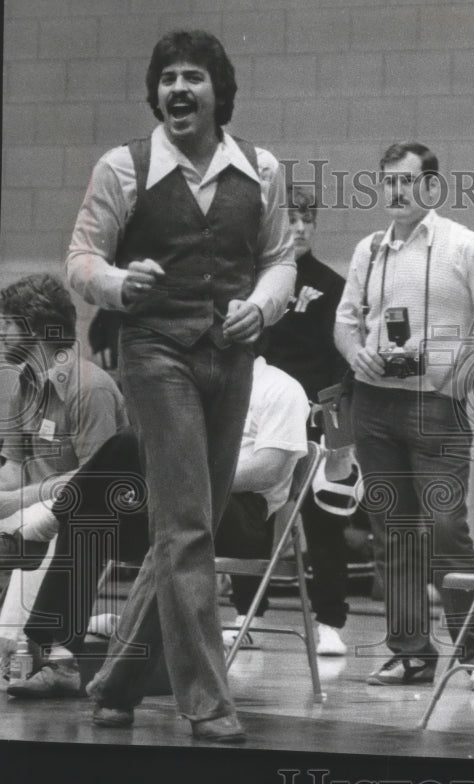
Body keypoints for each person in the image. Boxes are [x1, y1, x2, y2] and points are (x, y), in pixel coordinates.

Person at [64, 30, 296, 742]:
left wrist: (265, 303)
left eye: (191, 76)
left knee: (182, 530)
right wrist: (116, 283)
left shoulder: (260, 167)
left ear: (217, 91)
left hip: (231, 359)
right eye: (167, 78)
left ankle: (118, 682)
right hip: (156, 352)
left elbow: (280, 258)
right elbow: (79, 258)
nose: (177, 89)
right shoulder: (122, 168)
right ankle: (206, 702)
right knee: (190, 527)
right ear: (156, 93)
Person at [4, 356, 308, 698]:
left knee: (135, 440)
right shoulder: (195, 390)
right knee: (90, 520)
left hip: (241, 513)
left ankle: (49, 520)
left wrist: (188, 473)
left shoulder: (282, 388)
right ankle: (60, 656)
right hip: (179, 500)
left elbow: (269, 469)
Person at [335, 141, 474, 690]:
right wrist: (354, 352)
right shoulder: (369, 250)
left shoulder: (466, 245)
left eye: (407, 181)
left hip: (437, 406)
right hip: (374, 402)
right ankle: (410, 652)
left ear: (431, 187)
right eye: (387, 181)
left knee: (444, 528)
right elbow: (345, 323)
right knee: (392, 530)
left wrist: (456, 378)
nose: (396, 191)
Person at [0, 274, 129, 672]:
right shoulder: (26, 383)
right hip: (35, 514)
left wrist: (16, 502)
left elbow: (96, 480)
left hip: (86, 520)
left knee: (56, 515)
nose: (1, 334)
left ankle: (19, 636)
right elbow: (13, 470)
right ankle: (90, 626)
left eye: (7, 324)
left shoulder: (90, 388)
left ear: (35, 328)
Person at [255, 184, 354, 656]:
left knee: (323, 518)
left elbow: (341, 359)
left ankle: (330, 621)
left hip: (316, 413)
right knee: (252, 506)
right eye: (290, 218)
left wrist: (332, 417)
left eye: (306, 218)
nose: (299, 227)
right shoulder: (259, 282)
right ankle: (244, 611)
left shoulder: (333, 286)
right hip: (261, 413)